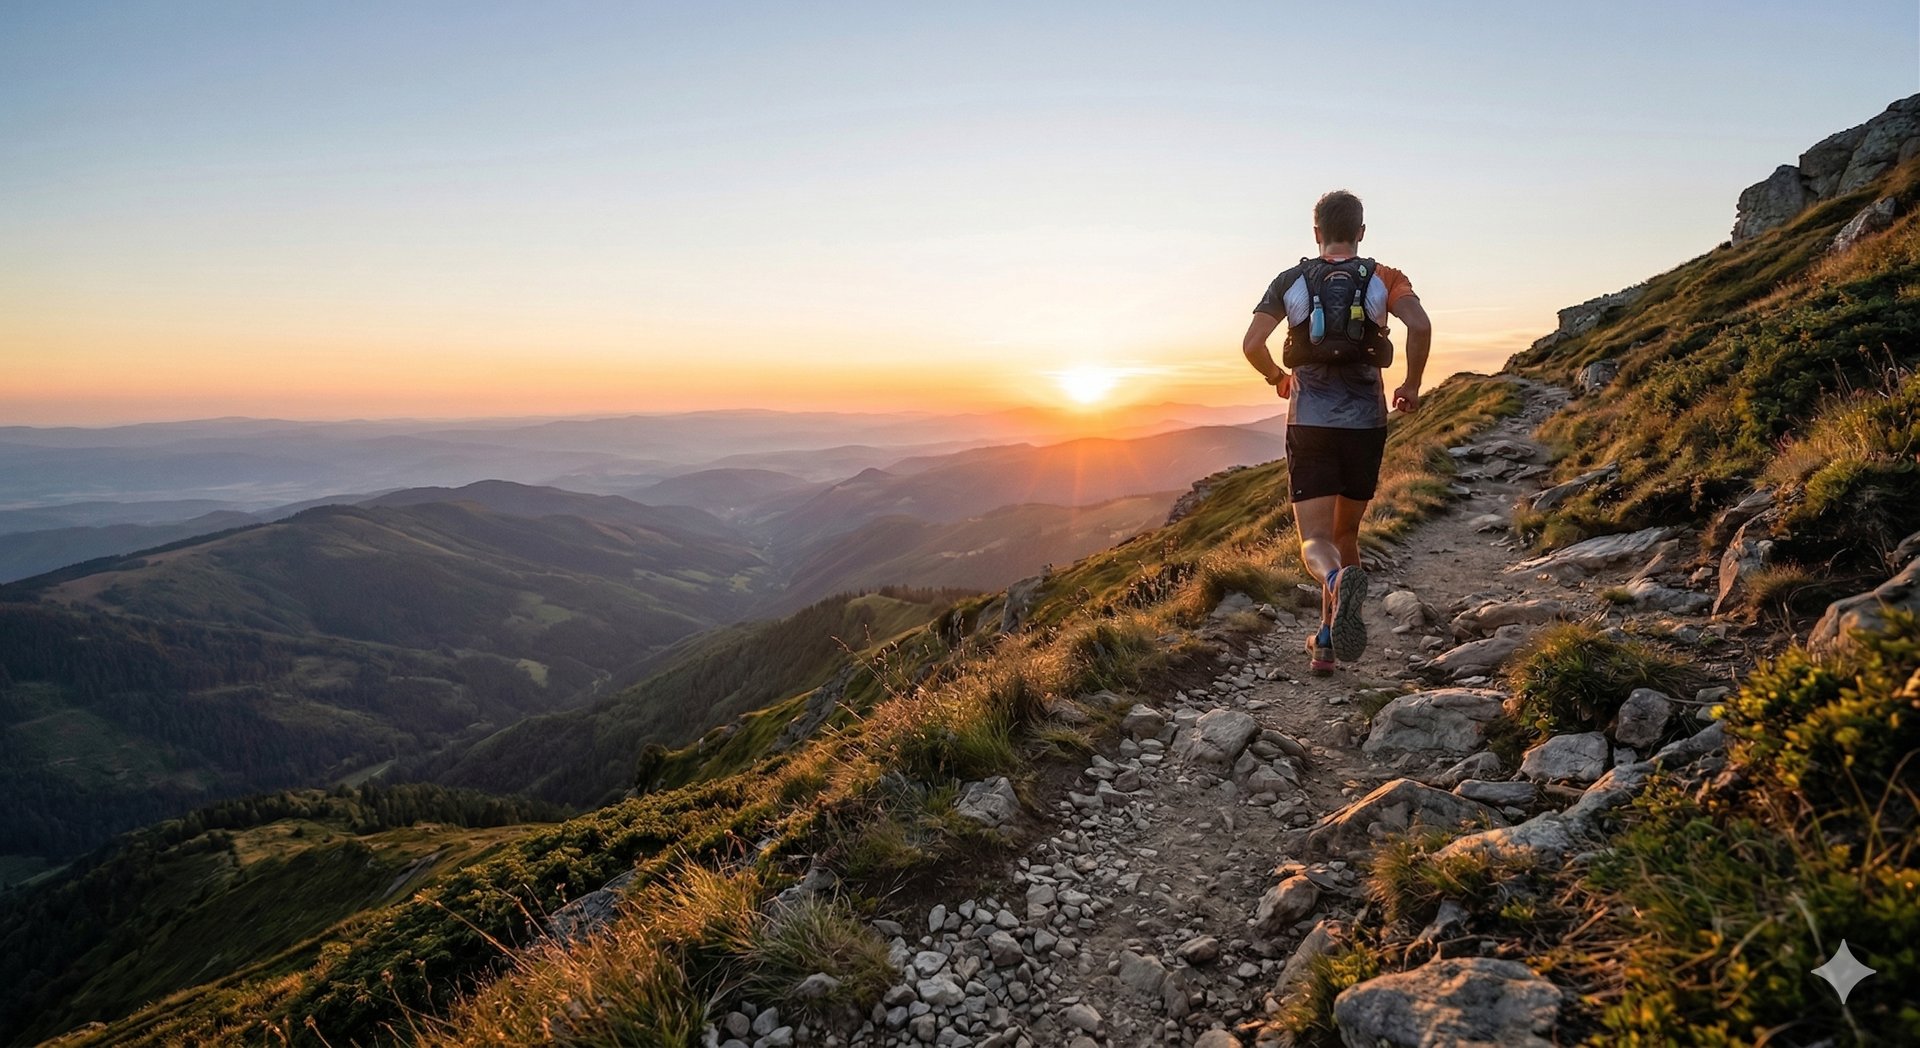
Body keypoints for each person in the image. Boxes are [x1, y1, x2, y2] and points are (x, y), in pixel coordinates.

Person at [1240, 189, 1432, 674]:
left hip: (1309, 423)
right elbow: (1421, 326)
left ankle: (1332, 581)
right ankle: (1326, 642)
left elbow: (1252, 343)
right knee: (1348, 531)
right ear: (1361, 232)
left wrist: (1277, 378)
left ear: (1317, 233)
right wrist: (1410, 384)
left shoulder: (1292, 279)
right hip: (1367, 424)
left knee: (1315, 542)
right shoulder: (1385, 278)